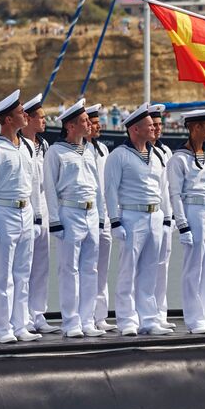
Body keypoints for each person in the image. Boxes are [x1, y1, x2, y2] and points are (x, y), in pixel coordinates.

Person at [103, 104, 173, 336]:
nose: (154, 128)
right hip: (132, 216)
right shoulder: (119, 156)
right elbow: (110, 190)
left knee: (150, 271)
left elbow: (162, 188)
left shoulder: (157, 155)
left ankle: (149, 318)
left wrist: (167, 217)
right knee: (128, 270)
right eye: (150, 125)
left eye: (154, 125)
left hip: (155, 215)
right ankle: (126, 320)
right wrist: (115, 221)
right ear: (135, 129)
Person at [0, 90, 41, 344]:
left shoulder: (26, 146)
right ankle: (3, 326)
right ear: (7, 120)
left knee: (23, 273)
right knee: (3, 275)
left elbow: (33, 184)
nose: (25, 116)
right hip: (4, 212)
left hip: (25, 212)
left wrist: (36, 216)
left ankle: (20, 323)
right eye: (20, 113)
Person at [167, 107, 205, 334]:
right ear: (196, 128)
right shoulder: (179, 159)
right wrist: (182, 225)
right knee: (194, 268)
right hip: (194, 211)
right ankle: (194, 319)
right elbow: (175, 194)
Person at [45, 100, 104, 338]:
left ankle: (87, 319)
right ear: (70, 125)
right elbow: (49, 188)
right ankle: (71, 321)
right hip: (69, 212)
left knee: (90, 268)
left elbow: (96, 187)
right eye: (83, 121)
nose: (89, 124)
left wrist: (100, 216)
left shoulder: (89, 150)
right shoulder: (56, 152)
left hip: (91, 213)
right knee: (69, 269)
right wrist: (54, 220)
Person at [19, 93, 57, 334]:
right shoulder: (18, 144)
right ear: (28, 119)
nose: (45, 122)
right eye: (41, 118)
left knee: (42, 264)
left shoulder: (44, 145)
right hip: (23, 207)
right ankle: (22, 317)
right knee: (23, 266)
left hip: (42, 205)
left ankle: (37, 313)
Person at [144, 104, 177, 331]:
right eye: (153, 125)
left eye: (159, 125)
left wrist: (173, 216)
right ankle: (143, 314)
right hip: (147, 215)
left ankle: (160, 313)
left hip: (165, 217)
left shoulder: (166, 152)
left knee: (162, 267)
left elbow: (170, 188)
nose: (157, 129)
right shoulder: (140, 153)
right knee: (145, 267)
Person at [85, 103, 114, 331]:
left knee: (102, 267)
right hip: (85, 213)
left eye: (97, 123)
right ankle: (81, 314)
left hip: (104, 214)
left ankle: (100, 314)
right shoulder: (77, 150)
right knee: (85, 266)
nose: (97, 127)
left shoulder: (103, 150)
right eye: (93, 123)